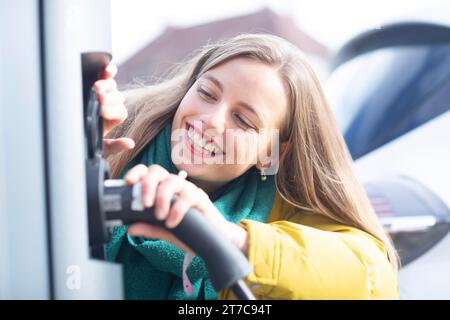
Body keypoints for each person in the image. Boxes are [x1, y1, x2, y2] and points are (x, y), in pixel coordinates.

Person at [96, 33, 399, 300]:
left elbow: (375, 282)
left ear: (271, 152)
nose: (211, 120)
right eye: (206, 93)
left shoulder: (281, 205)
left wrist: (231, 240)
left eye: (243, 120)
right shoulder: (116, 133)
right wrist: (83, 155)